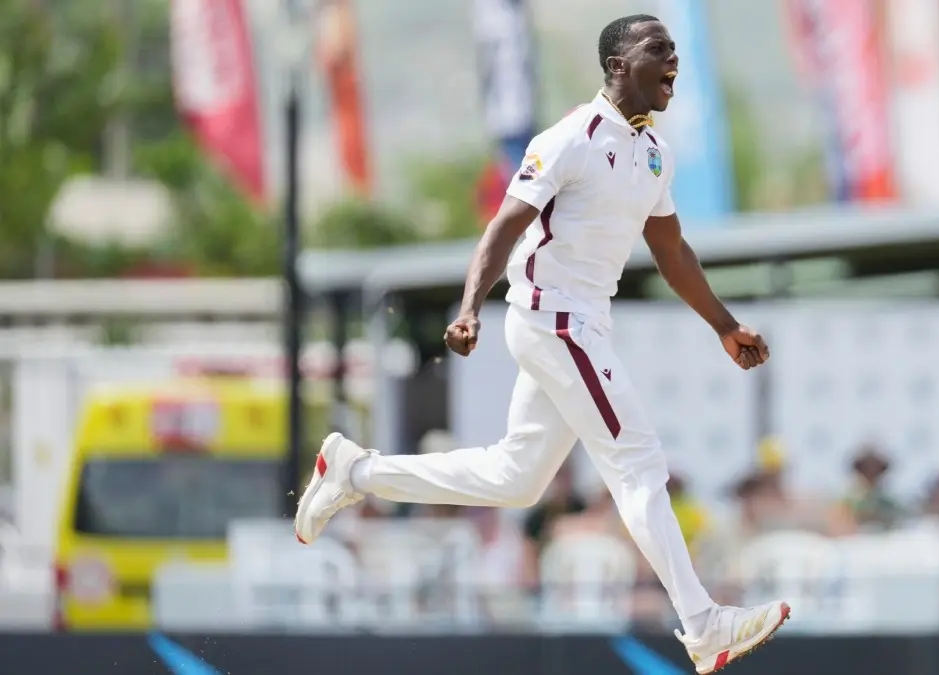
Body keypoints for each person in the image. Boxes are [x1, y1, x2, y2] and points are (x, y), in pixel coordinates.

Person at [293, 14, 788, 673]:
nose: (673, 60)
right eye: (657, 49)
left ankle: (354, 468)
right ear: (618, 63)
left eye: (675, 50)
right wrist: (468, 306)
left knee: (516, 478)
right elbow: (503, 227)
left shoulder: (653, 154)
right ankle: (703, 624)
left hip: (582, 325)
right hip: (553, 319)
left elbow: (671, 252)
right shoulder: (571, 138)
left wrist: (724, 324)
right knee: (638, 464)